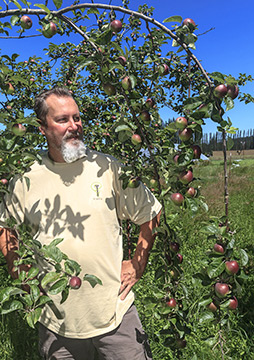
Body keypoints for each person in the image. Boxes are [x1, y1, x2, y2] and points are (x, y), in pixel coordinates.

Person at [0, 87, 161, 360]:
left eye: (77, 118)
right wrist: (19, 271)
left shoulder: (109, 168)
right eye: (63, 119)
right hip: (56, 320)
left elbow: (151, 212)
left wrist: (137, 262)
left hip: (114, 314)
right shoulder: (26, 178)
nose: (74, 126)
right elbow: (5, 227)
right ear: (42, 128)